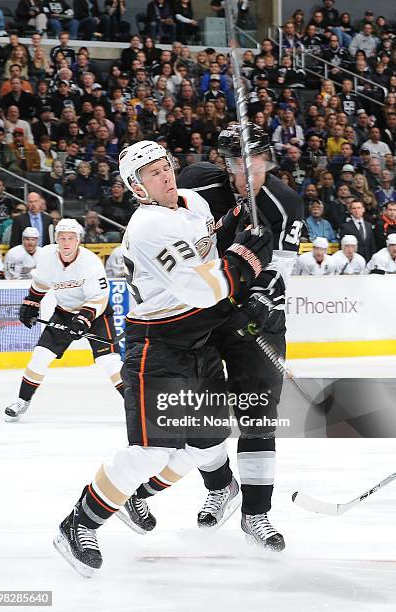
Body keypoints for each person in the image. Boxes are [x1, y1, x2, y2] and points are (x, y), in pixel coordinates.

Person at [54, 140, 273, 575]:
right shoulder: (150, 226)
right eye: (152, 173)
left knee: (208, 441)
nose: (166, 175)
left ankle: (134, 495)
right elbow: (204, 288)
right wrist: (247, 255)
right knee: (151, 452)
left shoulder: (190, 202)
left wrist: (238, 215)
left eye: (165, 166)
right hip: (158, 345)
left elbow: (211, 240)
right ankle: (78, 522)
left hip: (199, 338)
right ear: (137, 188)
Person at [126, 125, 304, 550]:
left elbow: (281, 269)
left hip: (254, 322)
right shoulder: (196, 182)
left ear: (268, 161)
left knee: (257, 414)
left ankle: (256, 515)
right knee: (198, 416)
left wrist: (259, 300)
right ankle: (220, 486)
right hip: (199, 315)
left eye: (256, 164)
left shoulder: (285, 203)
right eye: (237, 165)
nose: (247, 174)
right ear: (225, 165)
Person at [5, 218, 125, 422]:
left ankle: (135, 403)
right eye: (62, 238)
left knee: (109, 362)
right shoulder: (47, 257)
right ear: (56, 239)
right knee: (40, 355)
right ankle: (21, 401)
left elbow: (99, 299)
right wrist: (31, 303)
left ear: (78, 239)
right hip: (64, 313)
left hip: (96, 315)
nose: (66, 243)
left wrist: (83, 320)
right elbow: (41, 283)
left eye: (71, 238)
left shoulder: (90, 262)